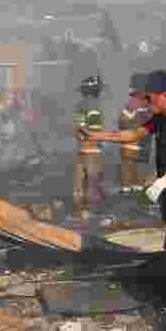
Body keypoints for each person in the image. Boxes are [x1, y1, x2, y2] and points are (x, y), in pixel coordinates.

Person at [88, 70, 166, 331]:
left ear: (163, 95)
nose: (145, 102)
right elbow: (133, 135)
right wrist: (97, 137)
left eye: (148, 97)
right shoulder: (162, 118)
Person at [72, 75, 108, 221]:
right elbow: (94, 129)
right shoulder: (94, 106)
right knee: (93, 182)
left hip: (81, 150)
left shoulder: (79, 106)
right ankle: (88, 213)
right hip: (92, 151)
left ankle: (78, 212)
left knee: (79, 183)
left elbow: (77, 129)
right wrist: (103, 139)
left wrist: (82, 138)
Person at [118, 73, 154, 193]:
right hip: (144, 142)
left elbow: (123, 120)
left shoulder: (133, 103)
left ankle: (127, 190)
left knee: (128, 165)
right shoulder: (149, 103)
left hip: (131, 142)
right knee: (140, 166)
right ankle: (138, 189)